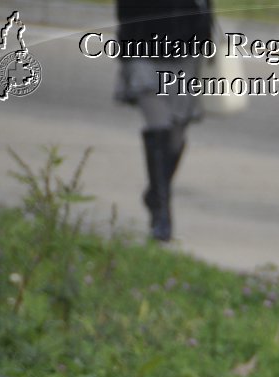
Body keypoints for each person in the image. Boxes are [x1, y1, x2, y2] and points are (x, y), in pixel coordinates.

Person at [114, 0, 212, 242]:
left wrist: (206, 34)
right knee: (160, 125)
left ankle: (155, 193)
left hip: (186, 46)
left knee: (177, 135)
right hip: (142, 45)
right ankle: (162, 215)